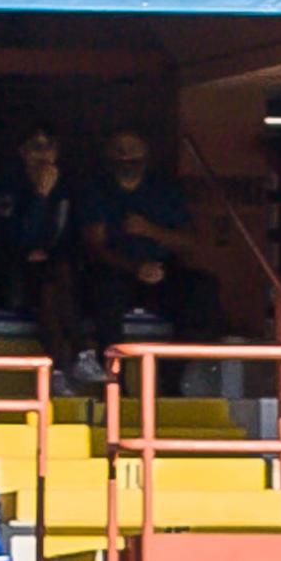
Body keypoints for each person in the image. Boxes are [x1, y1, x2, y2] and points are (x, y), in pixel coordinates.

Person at [74, 129, 224, 386]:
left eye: (133, 149)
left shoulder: (163, 189)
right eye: (119, 149)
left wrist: (150, 230)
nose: (126, 156)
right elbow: (94, 247)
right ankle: (114, 383)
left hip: (161, 271)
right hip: (116, 271)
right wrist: (135, 267)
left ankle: (171, 376)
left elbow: (191, 241)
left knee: (204, 290)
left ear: (146, 154)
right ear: (108, 155)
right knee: (104, 294)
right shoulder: (96, 189)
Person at [0, 124, 81, 371]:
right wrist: (40, 196)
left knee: (59, 274)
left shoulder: (69, 184)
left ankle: (80, 356)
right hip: (12, 265)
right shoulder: (6, 183)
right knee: (48, 286)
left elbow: (74, 235)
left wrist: (51, 253)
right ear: (23, 151)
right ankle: (61, 365)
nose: (43, 155)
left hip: (57, 263)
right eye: (36, 148)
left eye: (49, 147)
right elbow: (12, 237)